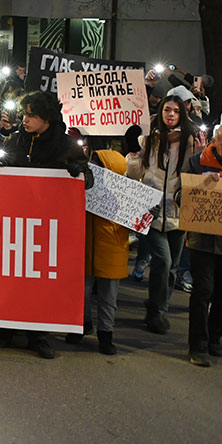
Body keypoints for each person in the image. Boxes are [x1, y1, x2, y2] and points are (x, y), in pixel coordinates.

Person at [0, 90, 90, 359]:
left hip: (47, 227)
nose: (25, 119)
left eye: (32, 115)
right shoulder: (15, 140)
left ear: (47, 119)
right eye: (24, 113)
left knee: (39, 282)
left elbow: (89, 179)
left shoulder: (67, 146)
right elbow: (0, 168)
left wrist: (79, 172)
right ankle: (7, 326)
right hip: (15, 221)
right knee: (12, 278)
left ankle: (38, 335)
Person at [127, 96, 196, 335]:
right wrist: (135, 153)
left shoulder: (189, 141)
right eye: (167, 109)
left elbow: (189, 174)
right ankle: (156, 309)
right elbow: (132, 172)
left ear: (182, 115)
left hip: (177, 212)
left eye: (176, 111)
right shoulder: (149, 138)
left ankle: (159, 310)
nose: (171, 115)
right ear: (161, 111)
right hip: (151, 212)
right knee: (163, 261)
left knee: (173, 267)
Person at [77, 147, 131, 356]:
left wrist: (148, 213)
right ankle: (83, 324)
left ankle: (106, 335)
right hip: (87, 248)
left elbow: (138, 223)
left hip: (112, 250)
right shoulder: (85, 187)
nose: (94, 169)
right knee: (82, 292)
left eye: (99, 166)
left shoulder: (127, 195)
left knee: (109, 297)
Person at [186, 122, 222, 367]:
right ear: (217, 139)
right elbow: (181, 195)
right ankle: (197, 344)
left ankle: (214, 337)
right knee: (203, 290)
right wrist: (198, 189)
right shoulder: (197, 162)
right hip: (201, 238)